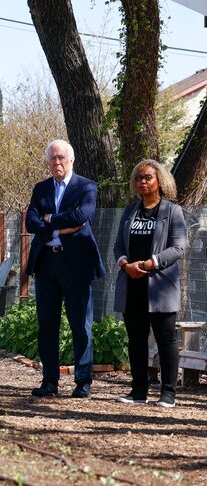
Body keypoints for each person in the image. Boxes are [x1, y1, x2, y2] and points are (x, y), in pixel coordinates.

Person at [25, 140, 105, 398]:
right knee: (47, 325)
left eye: (61, 158)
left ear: (71, 160)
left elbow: (81, 217)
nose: (57, 163)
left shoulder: (86, 186)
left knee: (80, 325)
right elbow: (31, 222)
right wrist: (61, 226)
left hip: (77, 265)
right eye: (52, 159)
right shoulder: (41, 189)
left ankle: (83, 381)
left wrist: (49, 220)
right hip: (47, 262)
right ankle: (50, 381)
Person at [113, 160, 185, 408]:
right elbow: (118, 246)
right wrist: (125, 265)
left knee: (166, 340)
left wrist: (148, 264)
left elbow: (178, 248)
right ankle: (138, 392)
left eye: (148, 177)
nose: (142, 182)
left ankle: (168, 394)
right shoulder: (130, 210)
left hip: (160, 287)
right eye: (138, 178)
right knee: (136, 340)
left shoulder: (172, 211)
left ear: (160, 181)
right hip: (132, 285)